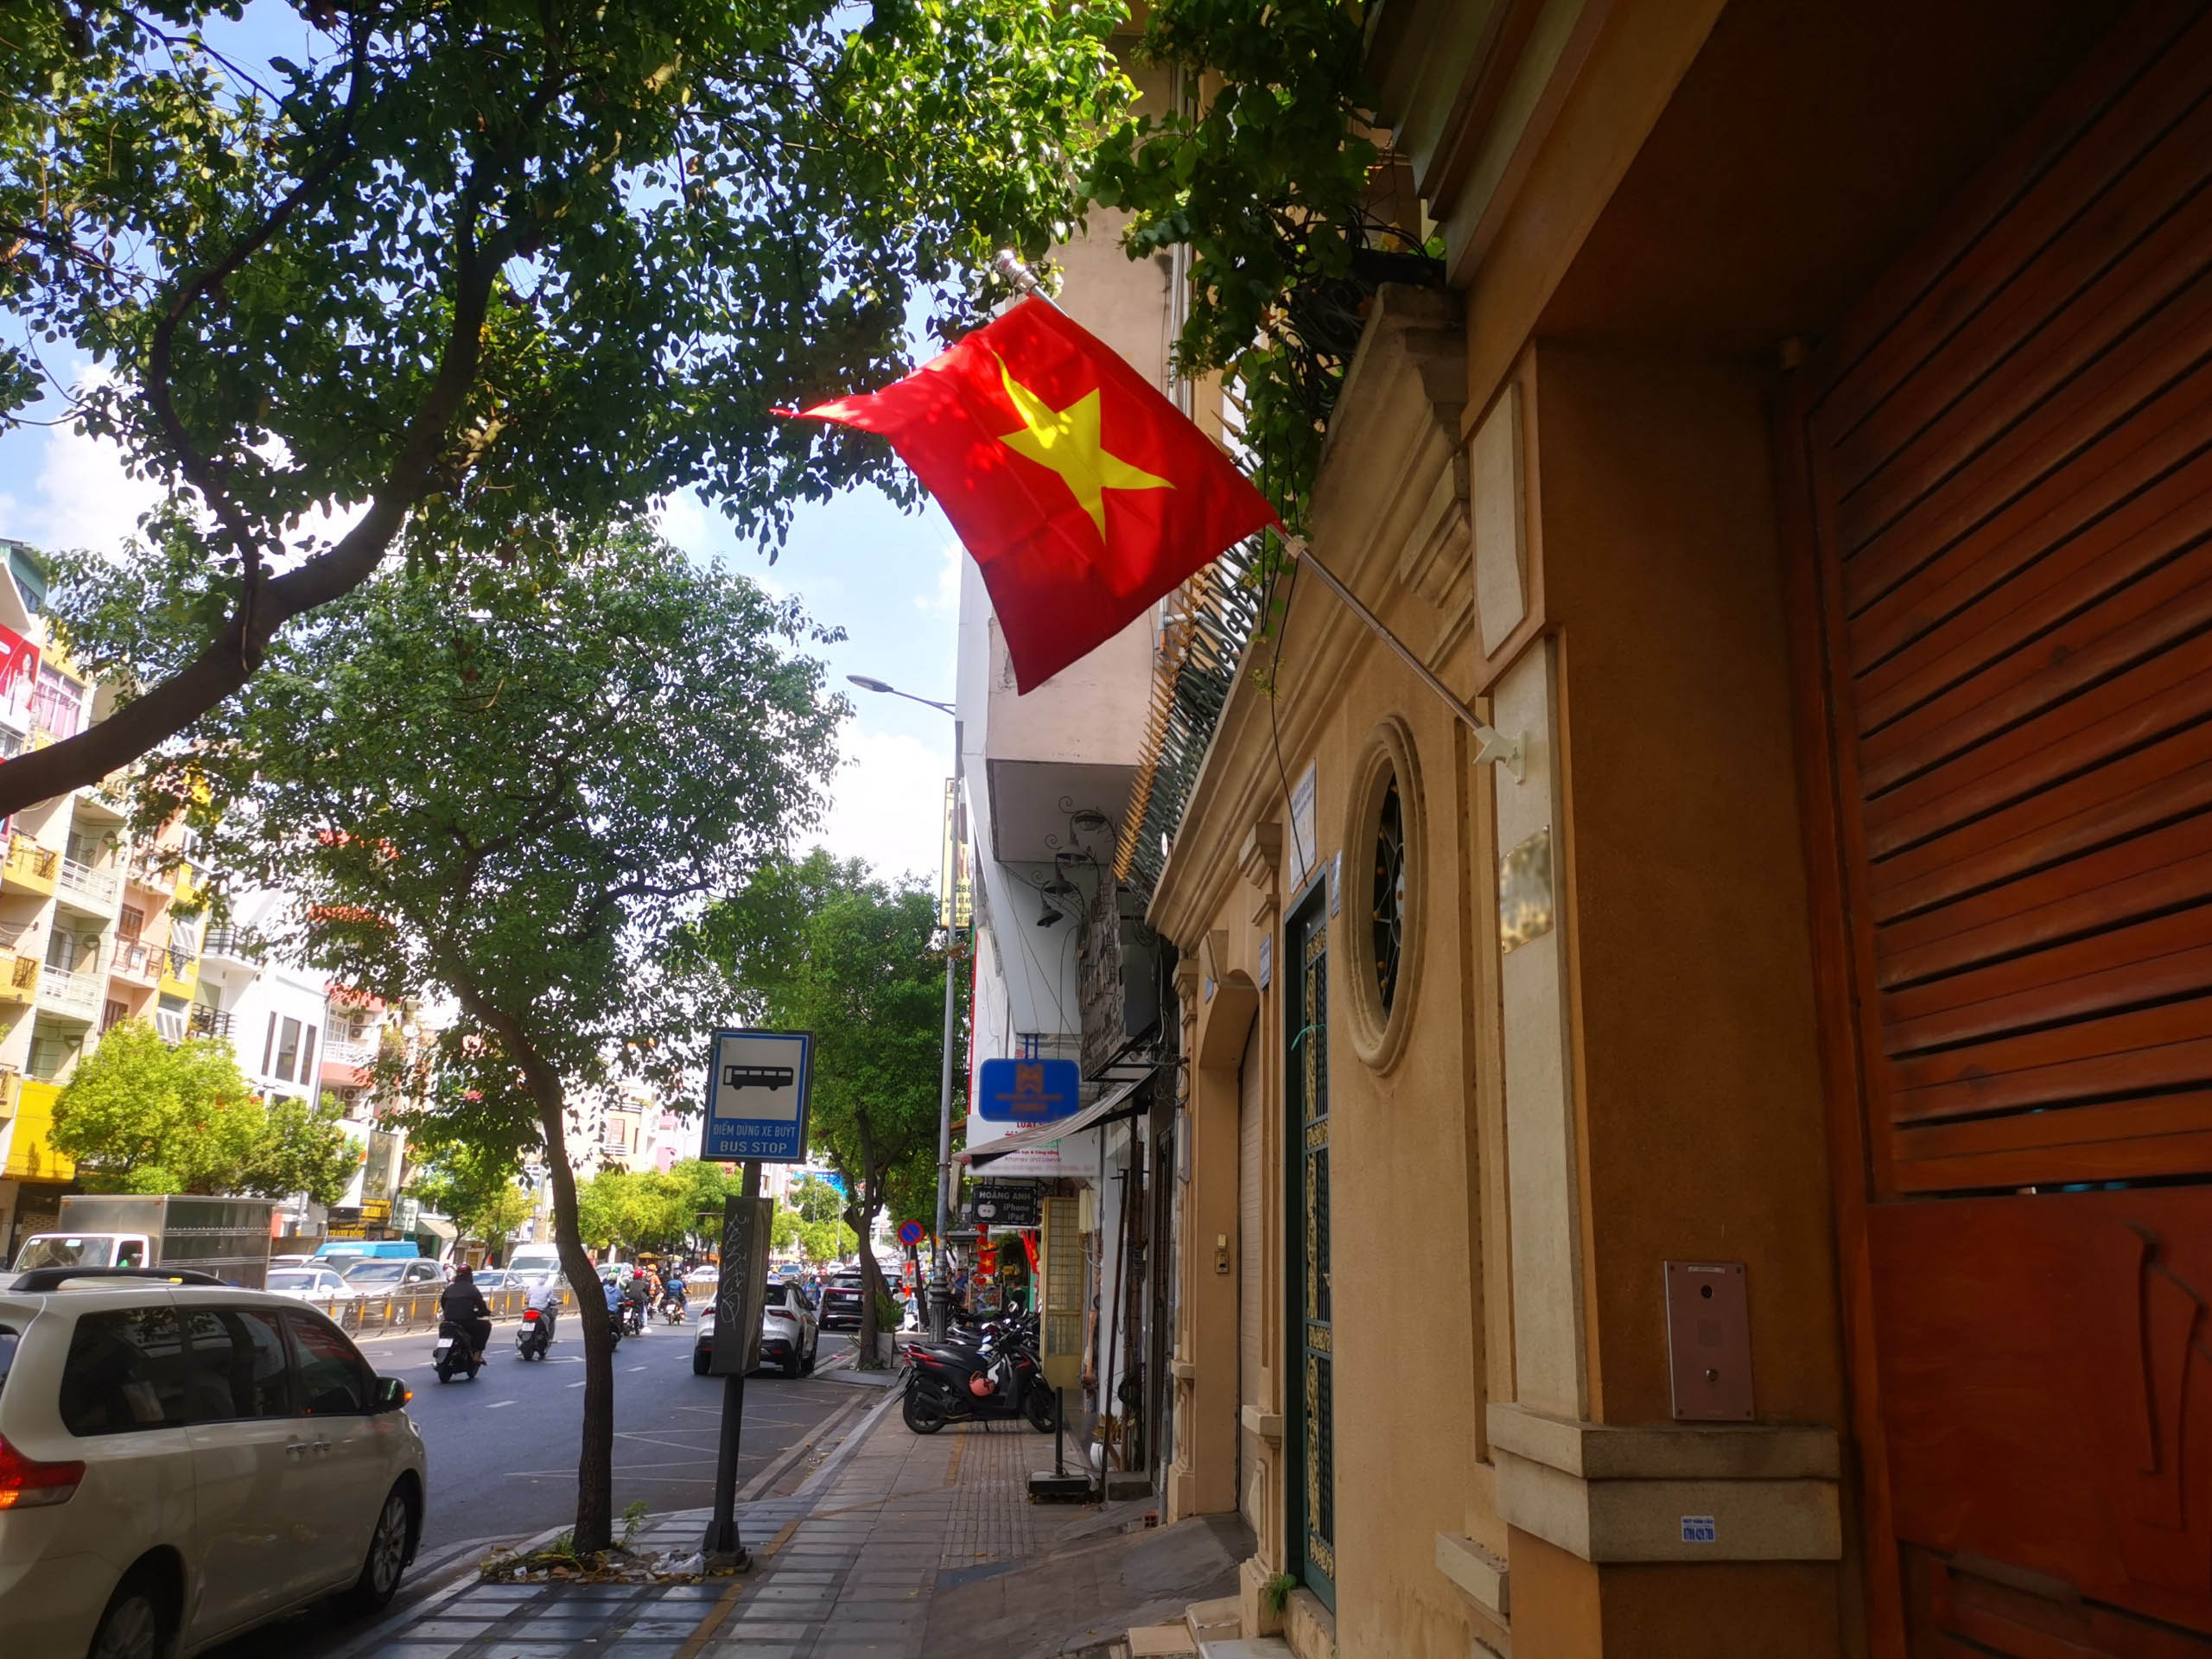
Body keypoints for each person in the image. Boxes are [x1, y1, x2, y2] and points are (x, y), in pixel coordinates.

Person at [440, 1263, 493, 1362]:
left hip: (448, 1320)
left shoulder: (449, 1288)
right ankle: (477, 1355)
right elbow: (481, 1305)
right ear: (470, 1276)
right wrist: (485, 1312)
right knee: (486, 1326)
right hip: (466, 1321)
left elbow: (443, 1303)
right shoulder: (472, 1289)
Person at [524, 1272, 563, 1343]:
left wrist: (529, 1303)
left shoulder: (531, 1287)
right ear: (546, 1278)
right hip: (542, 1309)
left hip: (531, 1308)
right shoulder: (548, 1288)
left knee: (525, 1318)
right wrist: (557, 1301)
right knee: (551, 1320)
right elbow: (552, 1299)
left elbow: (527, 1298)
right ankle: (550, 1338)